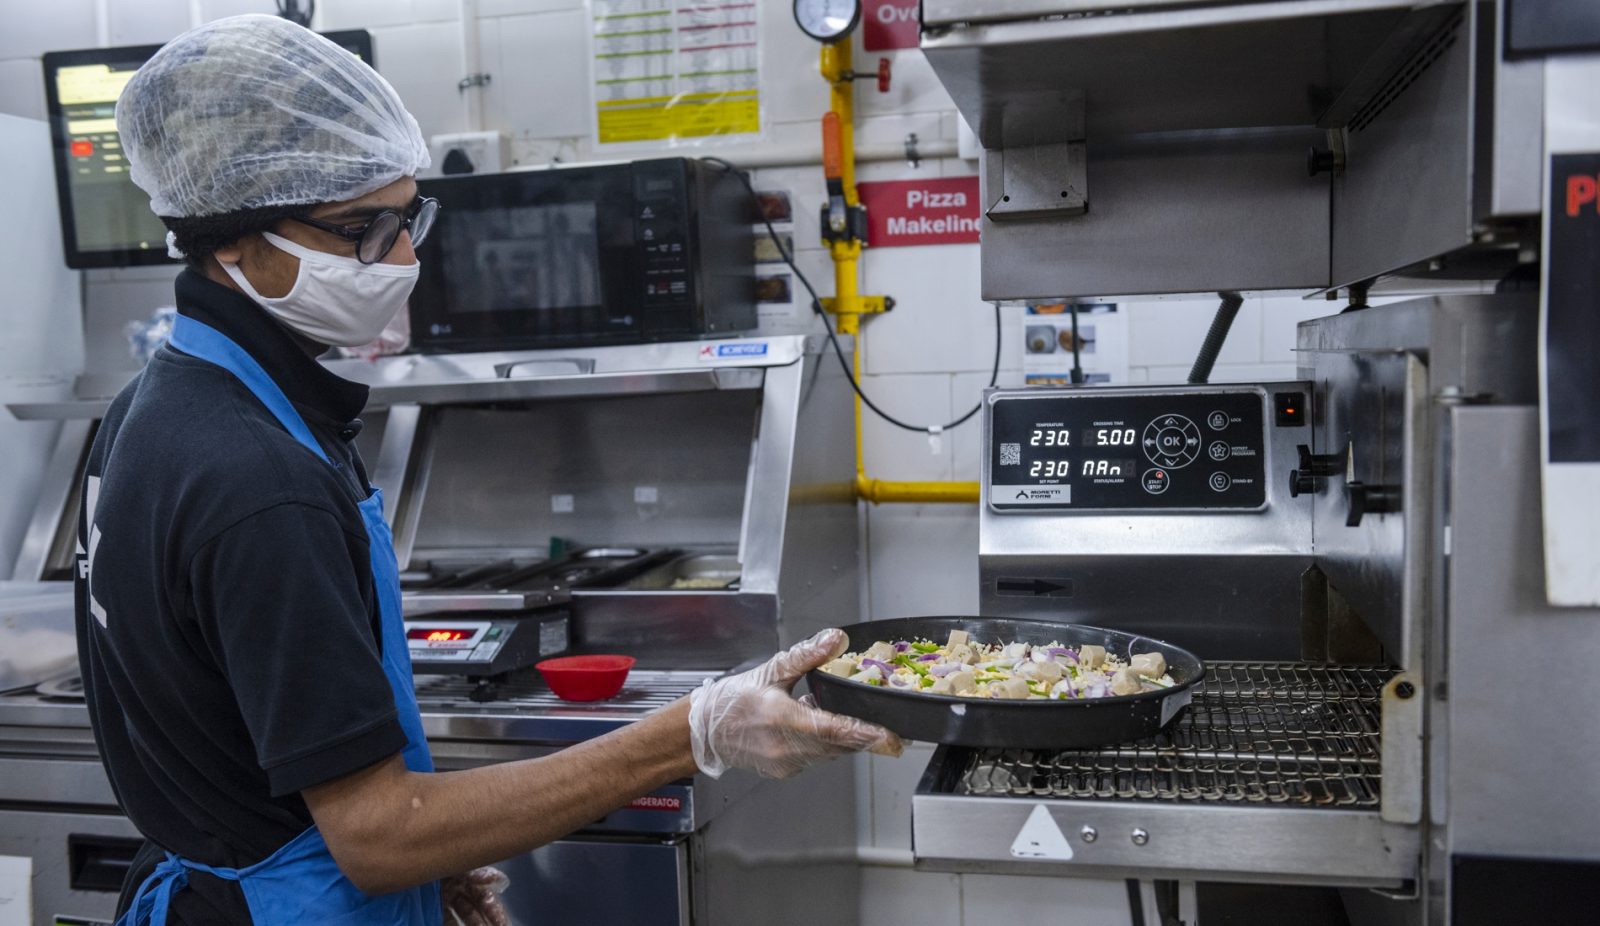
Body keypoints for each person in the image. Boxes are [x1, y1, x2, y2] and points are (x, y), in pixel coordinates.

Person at [77, 15, 900, 925]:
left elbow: (219, 730)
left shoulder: (153, 406)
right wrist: (694, 730)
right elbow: (380, 834)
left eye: (406, 217)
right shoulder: (256, 480)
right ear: (231, 240)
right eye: (361, 230)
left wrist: (449, 848)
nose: (402, 258)